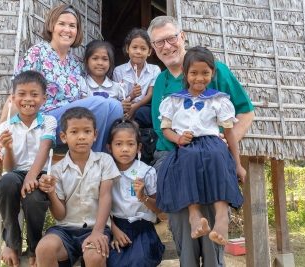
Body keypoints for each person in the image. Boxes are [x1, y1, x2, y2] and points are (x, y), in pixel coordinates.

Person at [148, 16, 255, 266]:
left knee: (211, 236)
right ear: (154, 48)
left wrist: (225, 146)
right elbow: (161, 128)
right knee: (185, 231)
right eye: (159, 42)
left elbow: (245, 112)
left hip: (209, 156)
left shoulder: (213, 69)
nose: (166, 46)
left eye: (171, 38)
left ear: (182, 36)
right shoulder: (162, 81)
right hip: (172, 157)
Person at [0, 4, 123, 154]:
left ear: (77, 31)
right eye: (62, 24)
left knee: (115, 106)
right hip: (44, 121)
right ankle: (93, 159)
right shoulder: (37, 53)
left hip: (71, 123)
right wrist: (1, 128)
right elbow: (17, 95)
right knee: (100, 102)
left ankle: (102, 158)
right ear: (51, 26)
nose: (67, 30)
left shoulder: (75, 63)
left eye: (72, 26)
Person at [157, 46, 246, 247]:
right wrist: (178, 139)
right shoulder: (174, 100)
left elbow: (229, 133)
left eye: (205, 73)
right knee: (186, 160)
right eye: (194, 73)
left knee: (217, 156)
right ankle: (194, 214)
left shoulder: (218, 100)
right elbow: (166, 130)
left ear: (212, 73)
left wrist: (238, 164)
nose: (199, 78)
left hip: (213, 143)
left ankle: (222, 218)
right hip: (187, 146)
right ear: (186, 73)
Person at [35, 107, 120, 267]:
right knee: (44, 249)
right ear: (63, 137)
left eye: (87, 131)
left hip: (96, 227)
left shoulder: (104, 161)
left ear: (95, 135)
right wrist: (51, 192)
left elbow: (105, 197)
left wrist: (97, 232)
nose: (81, 137)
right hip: (65, 230)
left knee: (95, 256)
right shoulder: (57, 170)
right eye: (74, 132)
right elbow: (60, 215)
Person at [0, 70, 57, 267]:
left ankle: (34, 246)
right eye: (21, 94)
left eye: (34, 94)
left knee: (35, 199)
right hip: (15, 173)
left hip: (39, 173)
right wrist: (8, 148)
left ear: (44, 99)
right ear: (13, 99)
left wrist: (32, 177)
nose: (28, 99)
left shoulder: (49, 121)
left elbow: (45, 149)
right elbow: (9, 168)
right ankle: (11, 242)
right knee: (5, 184)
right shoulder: (5, 127)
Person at [106, 119, 164, 267]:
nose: (125, 149)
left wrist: (143, 197)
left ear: (138, 147)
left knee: (139, 261)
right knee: (112, 260)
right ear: (109, 148)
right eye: (118, 144)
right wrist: (114, 230)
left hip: (143, 229)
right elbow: (98, 205)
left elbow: (160, 211)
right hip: (116, 227)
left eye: (130, 144)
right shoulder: (106, 173)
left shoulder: (146, 172)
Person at [113, 28, 161, 127]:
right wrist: (132, 96)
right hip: (125, 105)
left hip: (143, 107)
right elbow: (117, 96)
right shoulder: (118, 71)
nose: (138, 52)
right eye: (134, 47)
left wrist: (134, 107)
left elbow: (150, 94)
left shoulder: (154, 70)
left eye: (143, 48)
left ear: (149, 51)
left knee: (142, 113)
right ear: (127, 49)